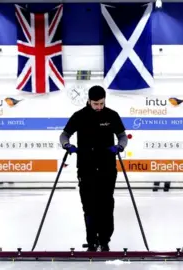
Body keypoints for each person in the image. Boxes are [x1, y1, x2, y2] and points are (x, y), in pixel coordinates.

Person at [59, 85, 128, 252]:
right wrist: (66, 145)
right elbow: (64, 134)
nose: (98, 107)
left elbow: (122, 136)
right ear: (89, 101)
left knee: (106, 203)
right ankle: (91, 240)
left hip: (107, 167)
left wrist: (120, 146)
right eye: (95, 104)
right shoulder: (79, 116)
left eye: (101, 104)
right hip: (86, 167)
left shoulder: (111, 115)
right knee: (89, 205)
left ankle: (104, 239)